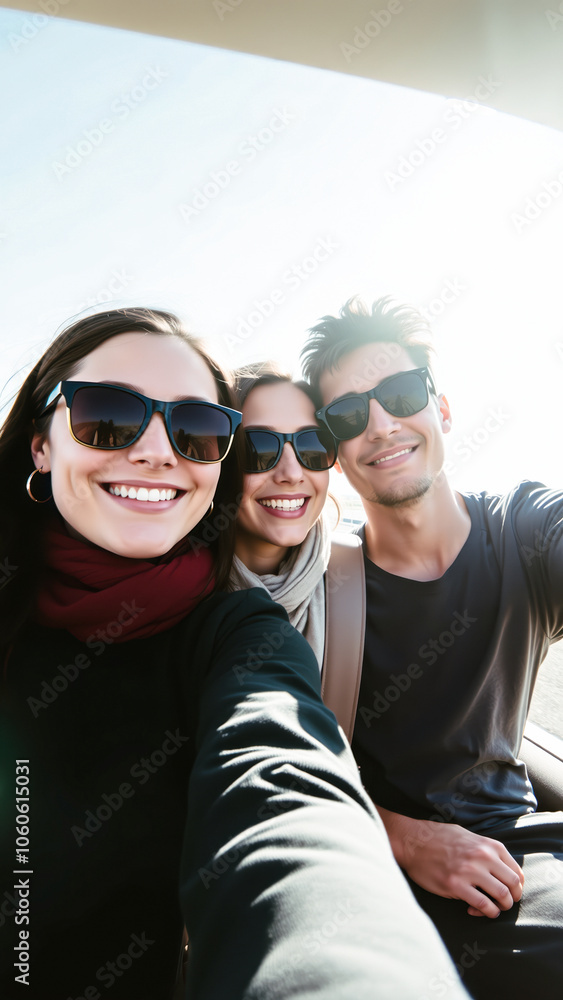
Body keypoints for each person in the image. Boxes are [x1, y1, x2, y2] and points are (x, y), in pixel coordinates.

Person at [0, 307, 470, 1000]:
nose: (157, 451)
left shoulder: (235, 631)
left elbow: (285, 787)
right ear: (42, 443)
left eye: (193, 431)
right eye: (106, 414)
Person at [301, 295, 563, 1000]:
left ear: (439, 409)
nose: (380, 425)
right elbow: (269, 766)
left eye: (399, 393)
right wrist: (406, 840)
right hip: (367, 870)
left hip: (515, 845)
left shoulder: (523, 528)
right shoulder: (320, 589)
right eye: (349, 415)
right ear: (331, 449)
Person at [229, 362, 336, 669]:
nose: (291, 473)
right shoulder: (164, 598)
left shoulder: (362, 584)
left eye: (312, 446)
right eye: (257, 448)